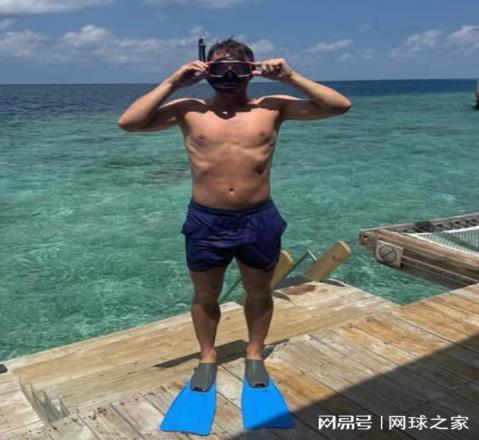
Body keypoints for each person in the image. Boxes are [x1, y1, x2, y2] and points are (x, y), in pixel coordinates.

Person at [118, 37, 351, 433]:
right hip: (207, 220)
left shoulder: (272, 106)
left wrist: (290, 76)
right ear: (205, 70)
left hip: (259, 218)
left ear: (251, 70)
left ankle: (254, 354)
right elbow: (130, 122)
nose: (228, 75)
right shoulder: (189, 109)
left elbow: (338, 106)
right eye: (219, 67)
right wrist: (173, 82)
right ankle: (207, 357)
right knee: (205, 295)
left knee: (259, 292)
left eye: (237, 67)